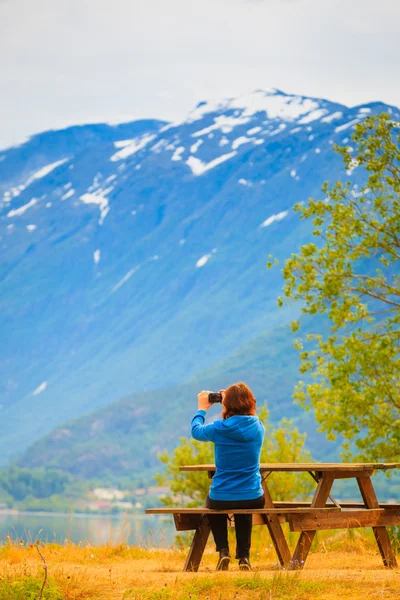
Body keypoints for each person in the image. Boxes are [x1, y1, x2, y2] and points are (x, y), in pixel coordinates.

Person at [191, 382, 265, 571]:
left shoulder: (219, 429)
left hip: (221, 497)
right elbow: (244, 418)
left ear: (227, 404)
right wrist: (230, 401)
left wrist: (201, 409)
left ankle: (223, 551)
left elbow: (196, 431)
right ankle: (244, 557)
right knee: (244, 502)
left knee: (214, 502)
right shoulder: (258, 427)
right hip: (253, 498)